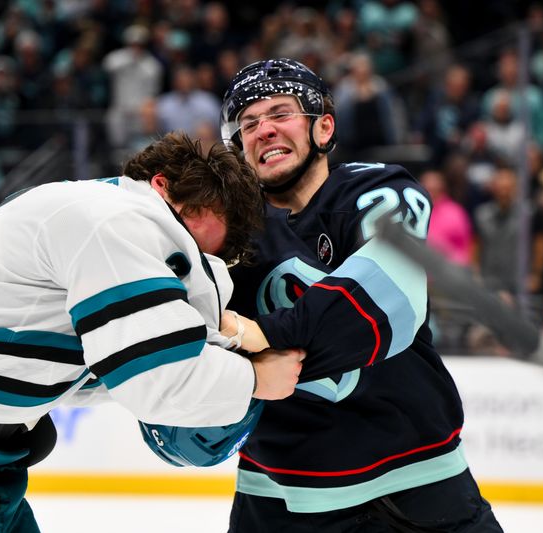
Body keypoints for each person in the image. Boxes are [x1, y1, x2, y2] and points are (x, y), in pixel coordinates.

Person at [0, 132, 304, 532]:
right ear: (162, 187)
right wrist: (259, 378)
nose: (194, 259)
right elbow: (157, 382)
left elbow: (103, 368)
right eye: (199, 229)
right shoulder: (115, 220)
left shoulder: (89, 217)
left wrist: (233, 333)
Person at [215, 59, 501, 531]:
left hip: (411, 492)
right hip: (274, 498)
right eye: (248, 123)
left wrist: (251, 338)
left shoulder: (378, 192)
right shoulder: (230, 236)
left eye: (280, 113)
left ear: (323, 127)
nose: (263, 129)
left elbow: (372, 311)